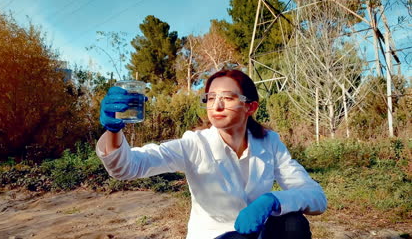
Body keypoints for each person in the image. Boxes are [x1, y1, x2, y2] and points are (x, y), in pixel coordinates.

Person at [96, 69, 327, 239]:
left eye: (226, 98)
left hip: (258, 234)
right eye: (210, 98)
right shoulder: (194, 144)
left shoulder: (269, 142)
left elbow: (315, 196)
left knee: (293, 223)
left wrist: (274, 200)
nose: (216, 106)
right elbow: (127, 168)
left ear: (250, 107)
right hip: (215, 236)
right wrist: (113, 129)